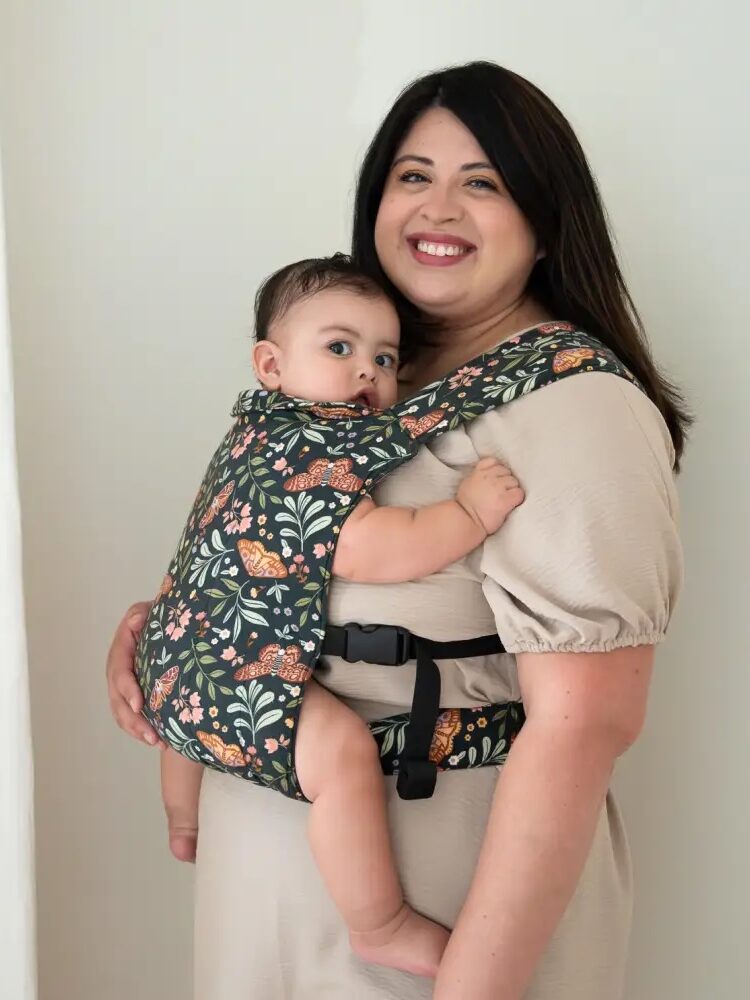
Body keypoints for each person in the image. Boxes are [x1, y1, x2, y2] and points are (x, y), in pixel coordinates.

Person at [107, 61, 686, 1000]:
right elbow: (280, 552)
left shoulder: (575, 403)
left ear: (545, 222)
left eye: (483, 182)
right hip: (271, 871)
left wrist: (474, 985)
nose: (437, 208)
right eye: (412, 176)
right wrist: (173, 638)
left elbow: (587, 724)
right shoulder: (360, 375)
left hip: (439, 895)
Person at [150, 253, 524, 979]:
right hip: (240, 681)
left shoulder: (249, 432)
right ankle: (378, 922)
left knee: (187, 727)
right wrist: (468, 512)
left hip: (179, 662)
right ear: (271, 363)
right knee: (344, 754)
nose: (367, 373)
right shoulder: (320, 446)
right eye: (340, 347)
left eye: (385, 358)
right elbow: (369, 549)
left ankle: (184, 818)